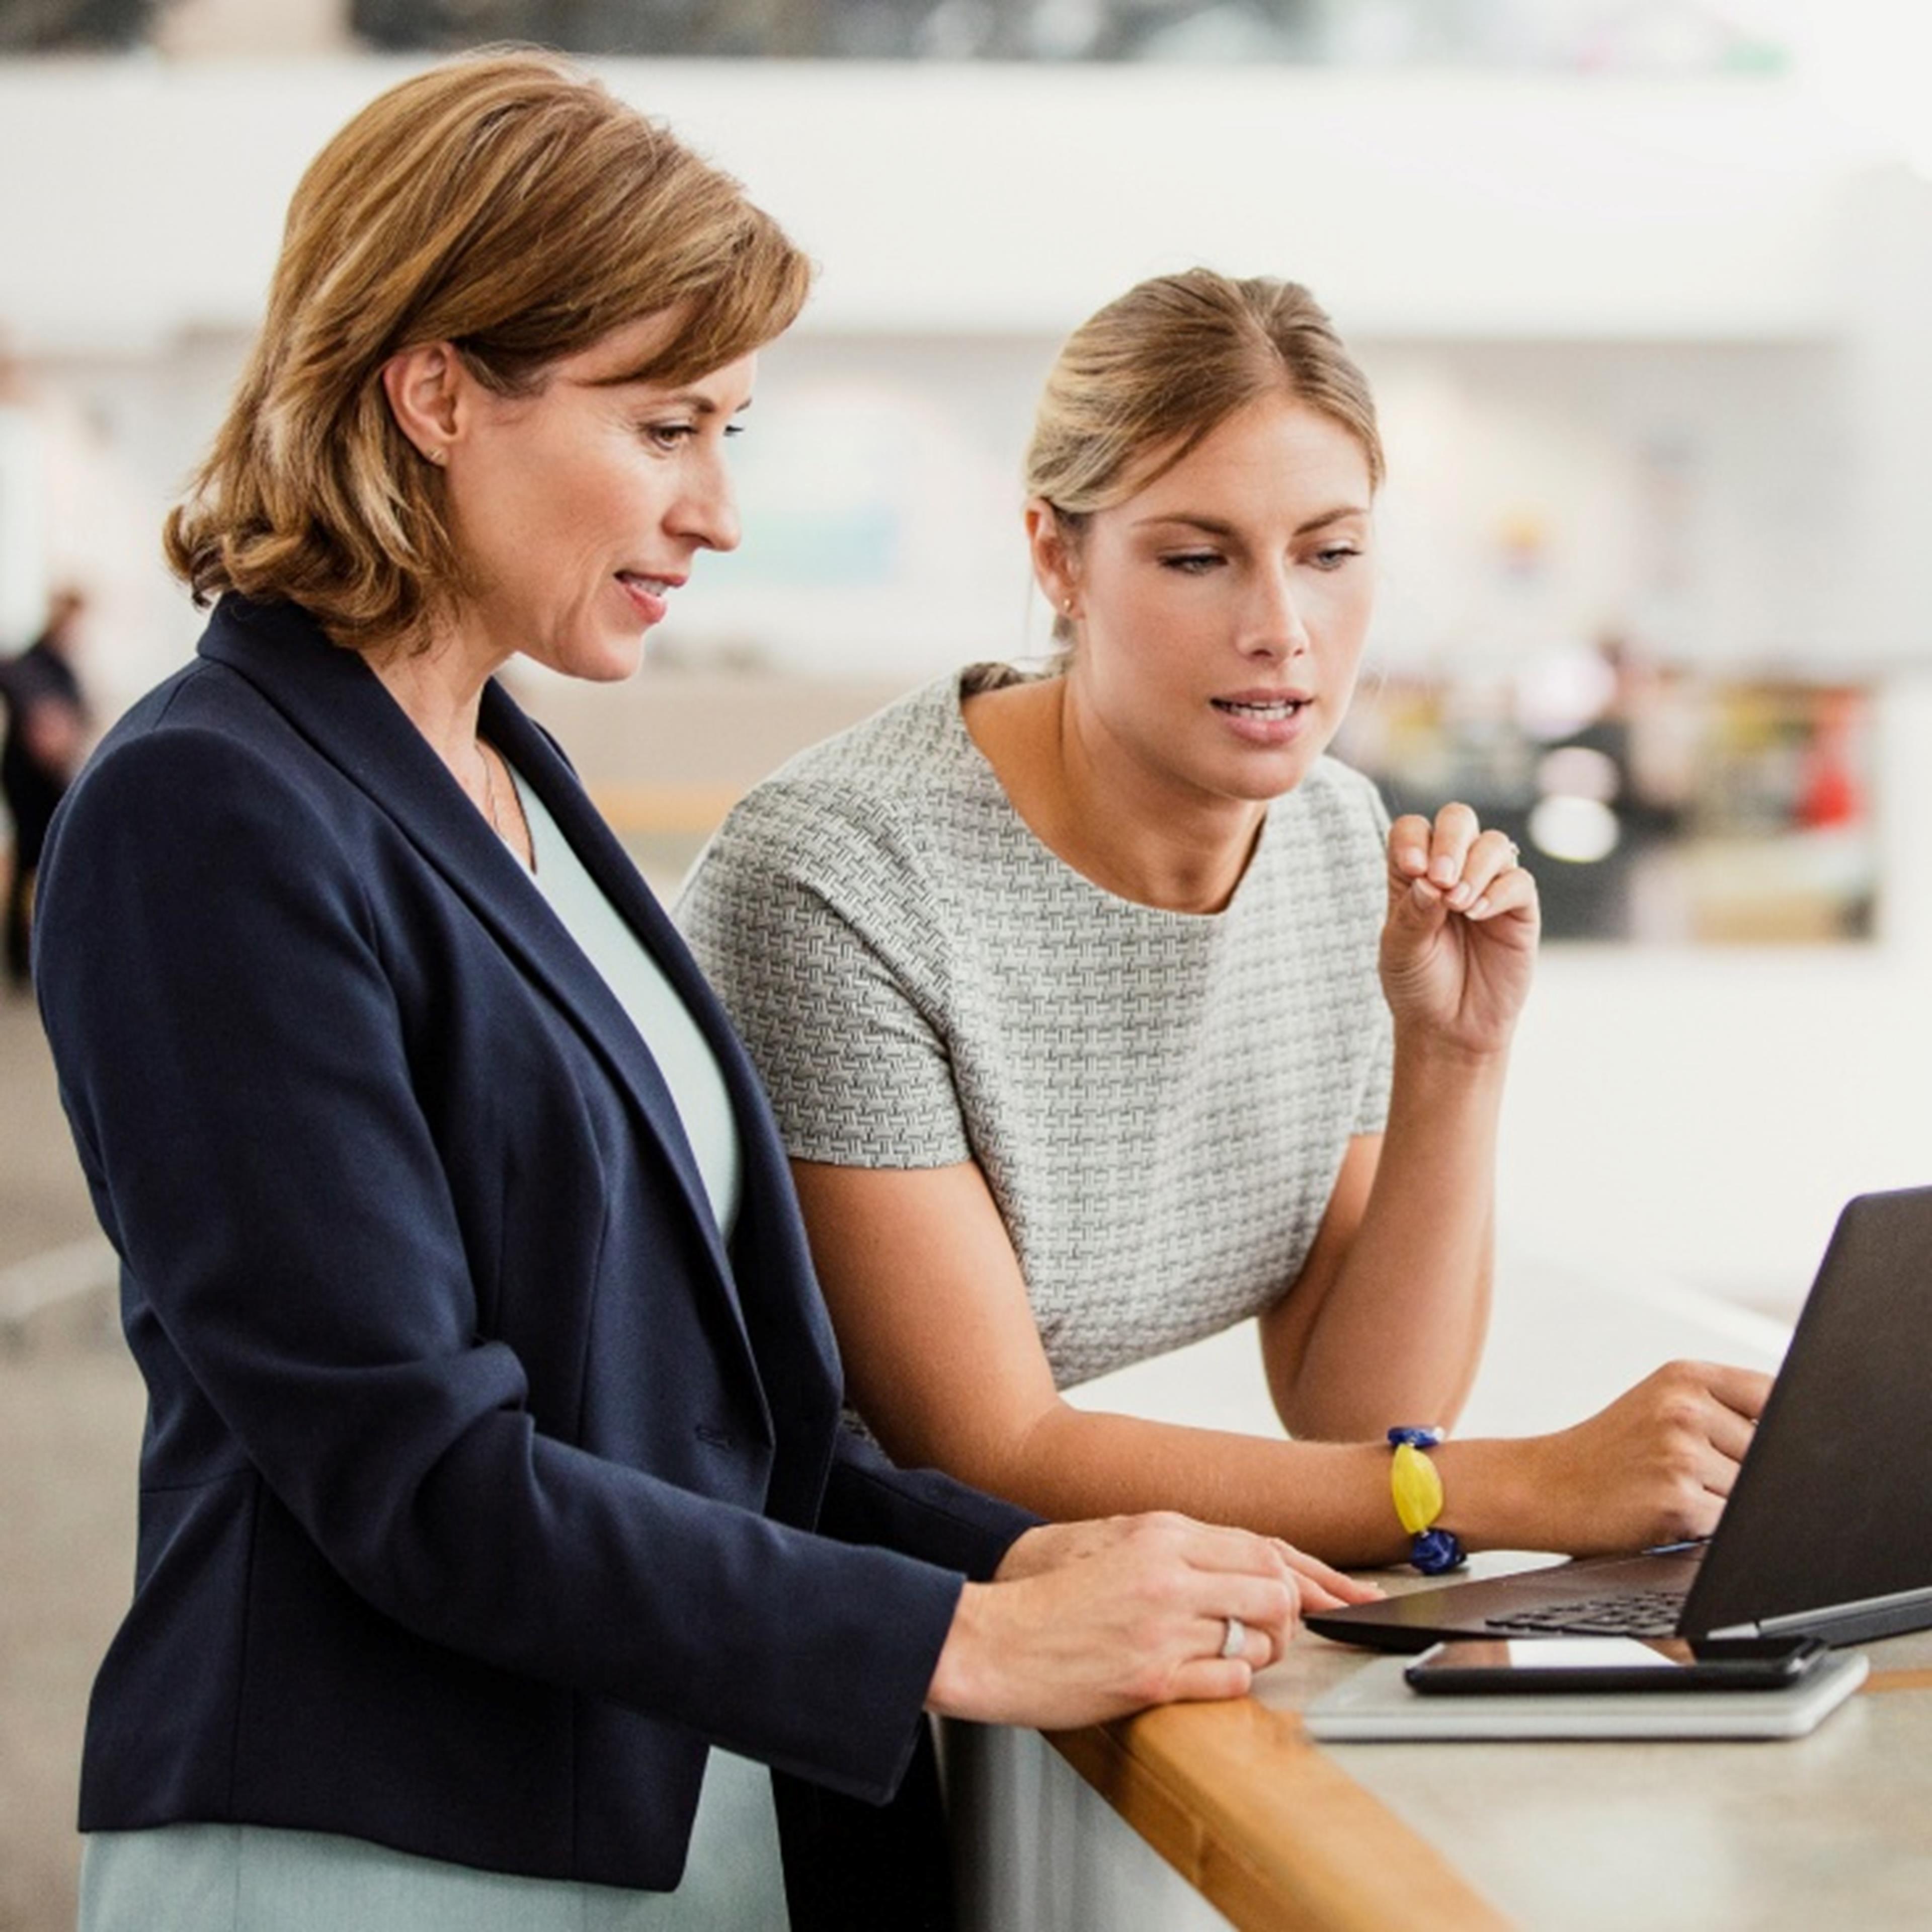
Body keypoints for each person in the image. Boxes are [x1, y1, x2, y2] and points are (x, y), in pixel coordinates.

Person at [33, 64, 1350, 1932]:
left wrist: (1061, 1549)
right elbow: (413, 1469)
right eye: (666, 428)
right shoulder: (206, 807)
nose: (716, 509)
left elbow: (715, 1434)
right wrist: (966, 1633)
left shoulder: (505, 774)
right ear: (433, 393)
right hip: (379, 1856)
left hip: (665, 1819)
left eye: (725, 430)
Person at [679, 269, 1772, 1570]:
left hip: (983, 1589)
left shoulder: (1338, 845)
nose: (1280, 631)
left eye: (1330, 554)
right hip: (761, 1604)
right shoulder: (843, 874)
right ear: (1055, 556)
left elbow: (1364, 1416)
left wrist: (1455, 1055)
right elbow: (986, 1447)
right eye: (1198, 559)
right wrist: (1523, 1487)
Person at [1, 585, 88, 988]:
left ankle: (34, 953)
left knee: (43, 859)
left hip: (51, 774)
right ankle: (22, 957)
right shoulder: (31, 661)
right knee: (32, 860)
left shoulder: (59, 663)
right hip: (28, 777)